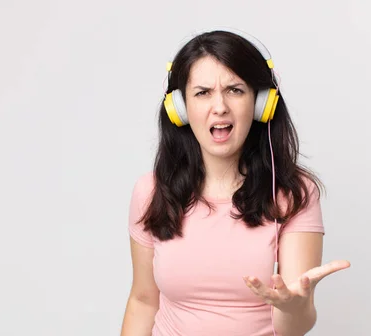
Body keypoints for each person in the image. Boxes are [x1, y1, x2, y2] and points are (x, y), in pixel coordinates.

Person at [120, 27, 350, 336]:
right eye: (203, 93)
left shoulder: (293, 193)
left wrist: (292, 306)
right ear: (181, 109)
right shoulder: (150, 191)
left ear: (260, 104)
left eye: (235, 90)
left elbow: (294, 326)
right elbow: (143, 300)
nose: (220, 107)